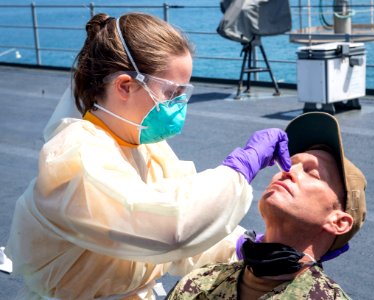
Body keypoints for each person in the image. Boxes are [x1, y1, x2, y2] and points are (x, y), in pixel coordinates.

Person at [5, 12, 292, 299]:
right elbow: (166, 229)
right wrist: (240, 168)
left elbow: (182, 212)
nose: (179, 105)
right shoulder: (74, 156)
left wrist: (241, 245)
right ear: (125, 86)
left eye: (184, 93)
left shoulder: (143, 144)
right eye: (171, 93)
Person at [167, 112, 367, 300]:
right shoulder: (195, 285)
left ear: (339, 221)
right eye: (289, 164)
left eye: (312, 173)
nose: (287, 172)